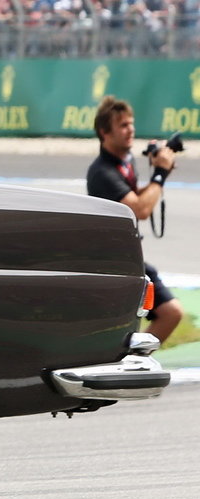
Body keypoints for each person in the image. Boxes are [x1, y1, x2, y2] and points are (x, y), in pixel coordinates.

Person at [86, 95, 185, 343]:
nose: (130, 130)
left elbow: (136, 199)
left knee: (169, 313)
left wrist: (160, 173)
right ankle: (128, 365)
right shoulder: (102, 172)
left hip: (128, 259)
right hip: (113, 265)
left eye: (131, 123)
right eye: (123, 125)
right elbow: (139, 210)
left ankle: (130, 363)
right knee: (163, 315)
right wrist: (160, 174)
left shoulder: (125, 163)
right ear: (104, 132)